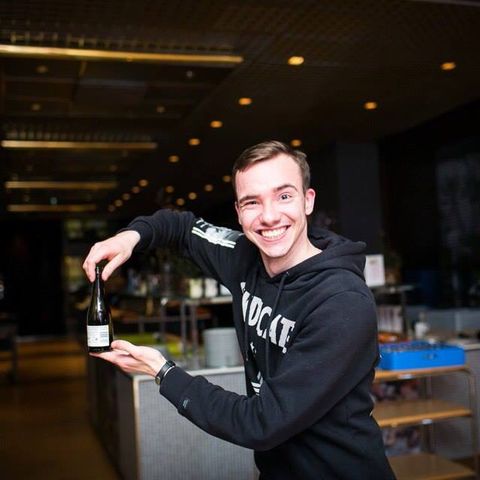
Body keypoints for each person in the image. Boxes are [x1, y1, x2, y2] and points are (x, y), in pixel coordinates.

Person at [83, 141, 395, 479]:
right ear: (238, 211)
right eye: (252, 202)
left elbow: (261, 423)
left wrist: (162, 370)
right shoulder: (243, 257)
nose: (269, 216)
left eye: (284, 196)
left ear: (308, 201)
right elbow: (181, 227)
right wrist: (130, 237)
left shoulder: (341, 302)